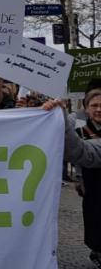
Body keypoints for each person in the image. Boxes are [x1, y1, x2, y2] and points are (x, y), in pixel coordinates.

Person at [75, 89, 101, 267]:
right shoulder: (80, 131)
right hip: (93, 187)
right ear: (87, 109)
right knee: (96, 225)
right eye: (94, 106)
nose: (99, 109)